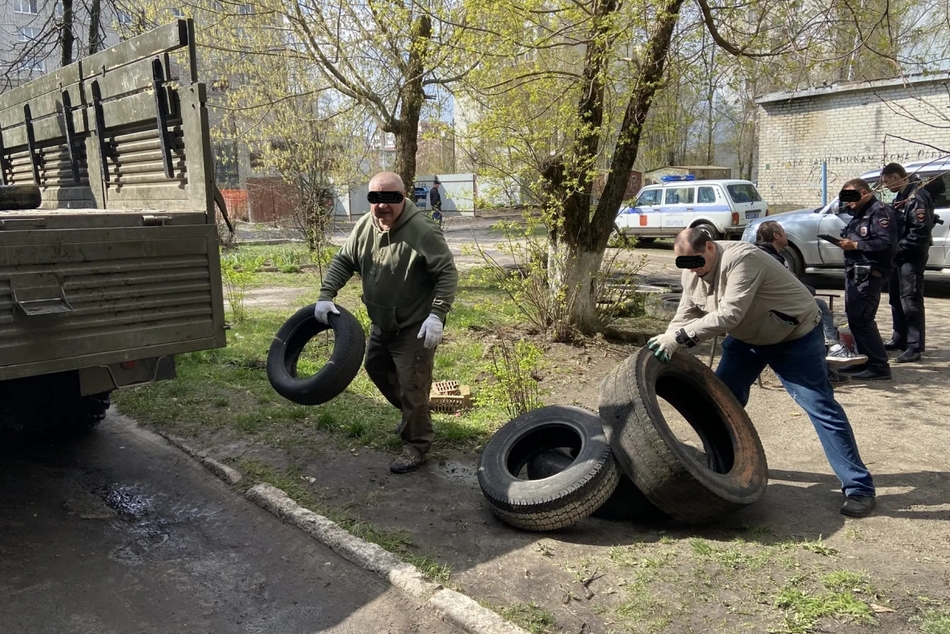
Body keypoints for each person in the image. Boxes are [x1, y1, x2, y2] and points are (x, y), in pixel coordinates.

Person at [647, 228, 876, 517]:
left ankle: (859, 487)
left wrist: (679, 338)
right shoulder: (689, 267)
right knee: (718, 402)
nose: (691, 270)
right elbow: (687, 312)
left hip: (795, 337)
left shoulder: (743, 258)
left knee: (820, 406)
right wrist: (668, 340)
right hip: (748, 339)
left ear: (709, 247)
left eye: (695, 262)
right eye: (684, 264)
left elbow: (729, 314)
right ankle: (719, 466)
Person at [314, 171, 458, 474]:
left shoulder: (422, 230)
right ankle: (412, 414)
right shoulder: (366, 225)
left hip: (414, 326)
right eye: (375, 198)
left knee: (413, 386)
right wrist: (327, 294)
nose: (382, 205)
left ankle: (417, 444)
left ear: (403, 196)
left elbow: (446, 272)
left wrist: (437, 314)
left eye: (390, 198)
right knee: (376, 368)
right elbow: (344, 260)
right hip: (382, 324)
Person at [753, 221, 866, 381]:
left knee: (816, 311)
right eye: (783, 232)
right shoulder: (770, 259)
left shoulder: (769, 255)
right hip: (771, 312)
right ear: (776, 236)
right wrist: (808, 291)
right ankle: (831, 353)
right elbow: (786, 287)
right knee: (817, 309)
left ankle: (827, 363)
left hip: (771, 306)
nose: (786, 235)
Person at [836, 178, 898, 380]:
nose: (848, 203)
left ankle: (879, 366)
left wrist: (855, 246)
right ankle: (864, 360)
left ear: (864, 192)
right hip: (856, 272)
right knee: (854, 317)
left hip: (869, 273)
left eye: (851, 198)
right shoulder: (860, 213)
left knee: (862, 319)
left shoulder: (880, 212)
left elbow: (885, 244)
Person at [880, 163, 934, 363]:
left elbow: (919, 234)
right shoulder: (902, 196)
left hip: (911, 257)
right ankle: (899, 337)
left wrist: (896, 249)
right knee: (895, 298)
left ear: (896, 177)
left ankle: (914, 346)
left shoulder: (917, 197)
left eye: (886, 182)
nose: (884, 186)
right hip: (899, 257)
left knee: (910, 300)